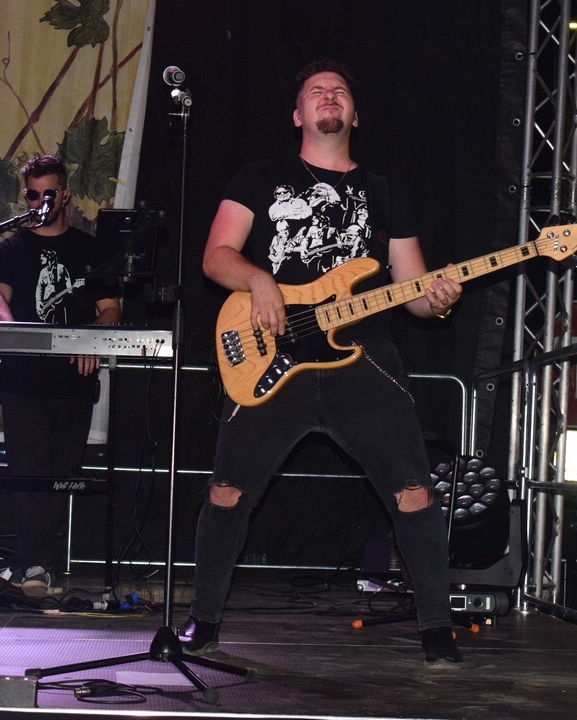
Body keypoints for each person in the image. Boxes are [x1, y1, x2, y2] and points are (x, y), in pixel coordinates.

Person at [180, 59, 464, 664]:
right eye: (316, 91)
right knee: (227, 491)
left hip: (365, 356)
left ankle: (437, 628)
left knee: (414, 491)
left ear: (355, 115)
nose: (329, 96)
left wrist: (438, 301)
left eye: (339, 91)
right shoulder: (260, 177)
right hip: (271, 347)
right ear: (297, 115)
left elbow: (414, 292)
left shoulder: (386, 192)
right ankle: (202, 621)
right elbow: (216, 256)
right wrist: (260, 280)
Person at [0, 154, 121, 596]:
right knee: (27, 474)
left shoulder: (90, 249)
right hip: (23, 381)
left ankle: (30, 564)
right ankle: (36, 566)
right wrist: (14, 333)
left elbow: (110, 308)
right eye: (32, 194)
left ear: (65, 196)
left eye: (48, 193)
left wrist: (90, 339)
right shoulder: (10, 249)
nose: (39, 201)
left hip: (74, 384)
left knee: (61, 474)